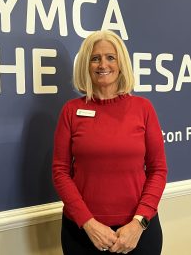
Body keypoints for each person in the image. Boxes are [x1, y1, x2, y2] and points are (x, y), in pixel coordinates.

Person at [52, 30, 167, 255]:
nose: (102, 64)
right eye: (95, 58)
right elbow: (60, 172)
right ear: (86, 64)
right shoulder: (71, 111)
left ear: (121, 62)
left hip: (138, 233)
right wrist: (88, 223)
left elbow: (158, 170)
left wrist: (138, 223)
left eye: (110, 57)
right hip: (83, 234)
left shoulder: (143, 108)